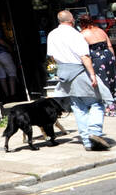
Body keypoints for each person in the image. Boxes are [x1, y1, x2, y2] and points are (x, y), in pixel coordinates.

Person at [47, 10, 110, 151]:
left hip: (64, 74)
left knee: (78, 107)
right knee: (96, 102)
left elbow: (51, 56)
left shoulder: (52, 34)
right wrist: (92, 75)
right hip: (79, 72)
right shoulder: (75, 34)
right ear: (71, 20)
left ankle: (87, 143)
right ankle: (94, 132)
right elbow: (84, 56)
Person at [79, 13, 116, 117]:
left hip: (96, 59)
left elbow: (82, 51)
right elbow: (109, 45)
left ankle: (109, 108)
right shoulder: (101, 31)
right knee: (113, 80)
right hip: (108, 57)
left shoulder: (82, 34)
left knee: (102, 81)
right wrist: (114, 60)